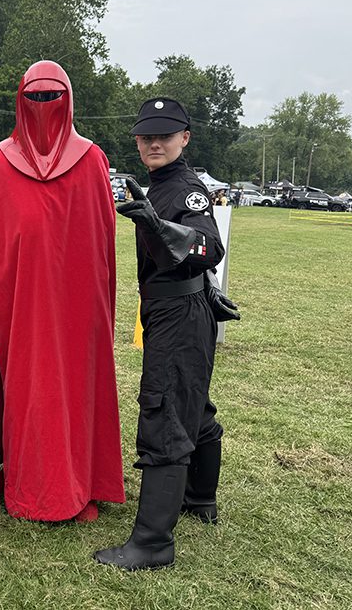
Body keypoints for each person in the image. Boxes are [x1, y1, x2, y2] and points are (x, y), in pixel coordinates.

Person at [0, 59, 125, 522]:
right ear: (21, 101)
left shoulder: (92, 159)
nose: (43, 106)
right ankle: (27, 481)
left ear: (69, 100)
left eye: (51, 96)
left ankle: (80, 485)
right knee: (27, 388)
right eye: (34, 97)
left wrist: (97, 304)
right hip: (17, 300)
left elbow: (102, 239)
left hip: (77, 301)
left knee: (76, 384)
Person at [94, 97, 238, 570]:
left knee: (164, 413)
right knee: (192, 406)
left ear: (185, 139)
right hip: (177, 307)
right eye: (146, 136)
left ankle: (153, 543)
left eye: (165, 135)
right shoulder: (159, 184)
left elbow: (209, 244)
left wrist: (162, 227)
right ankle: (199, 498)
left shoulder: (185, 190)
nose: (154, 143)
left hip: (178, 314)